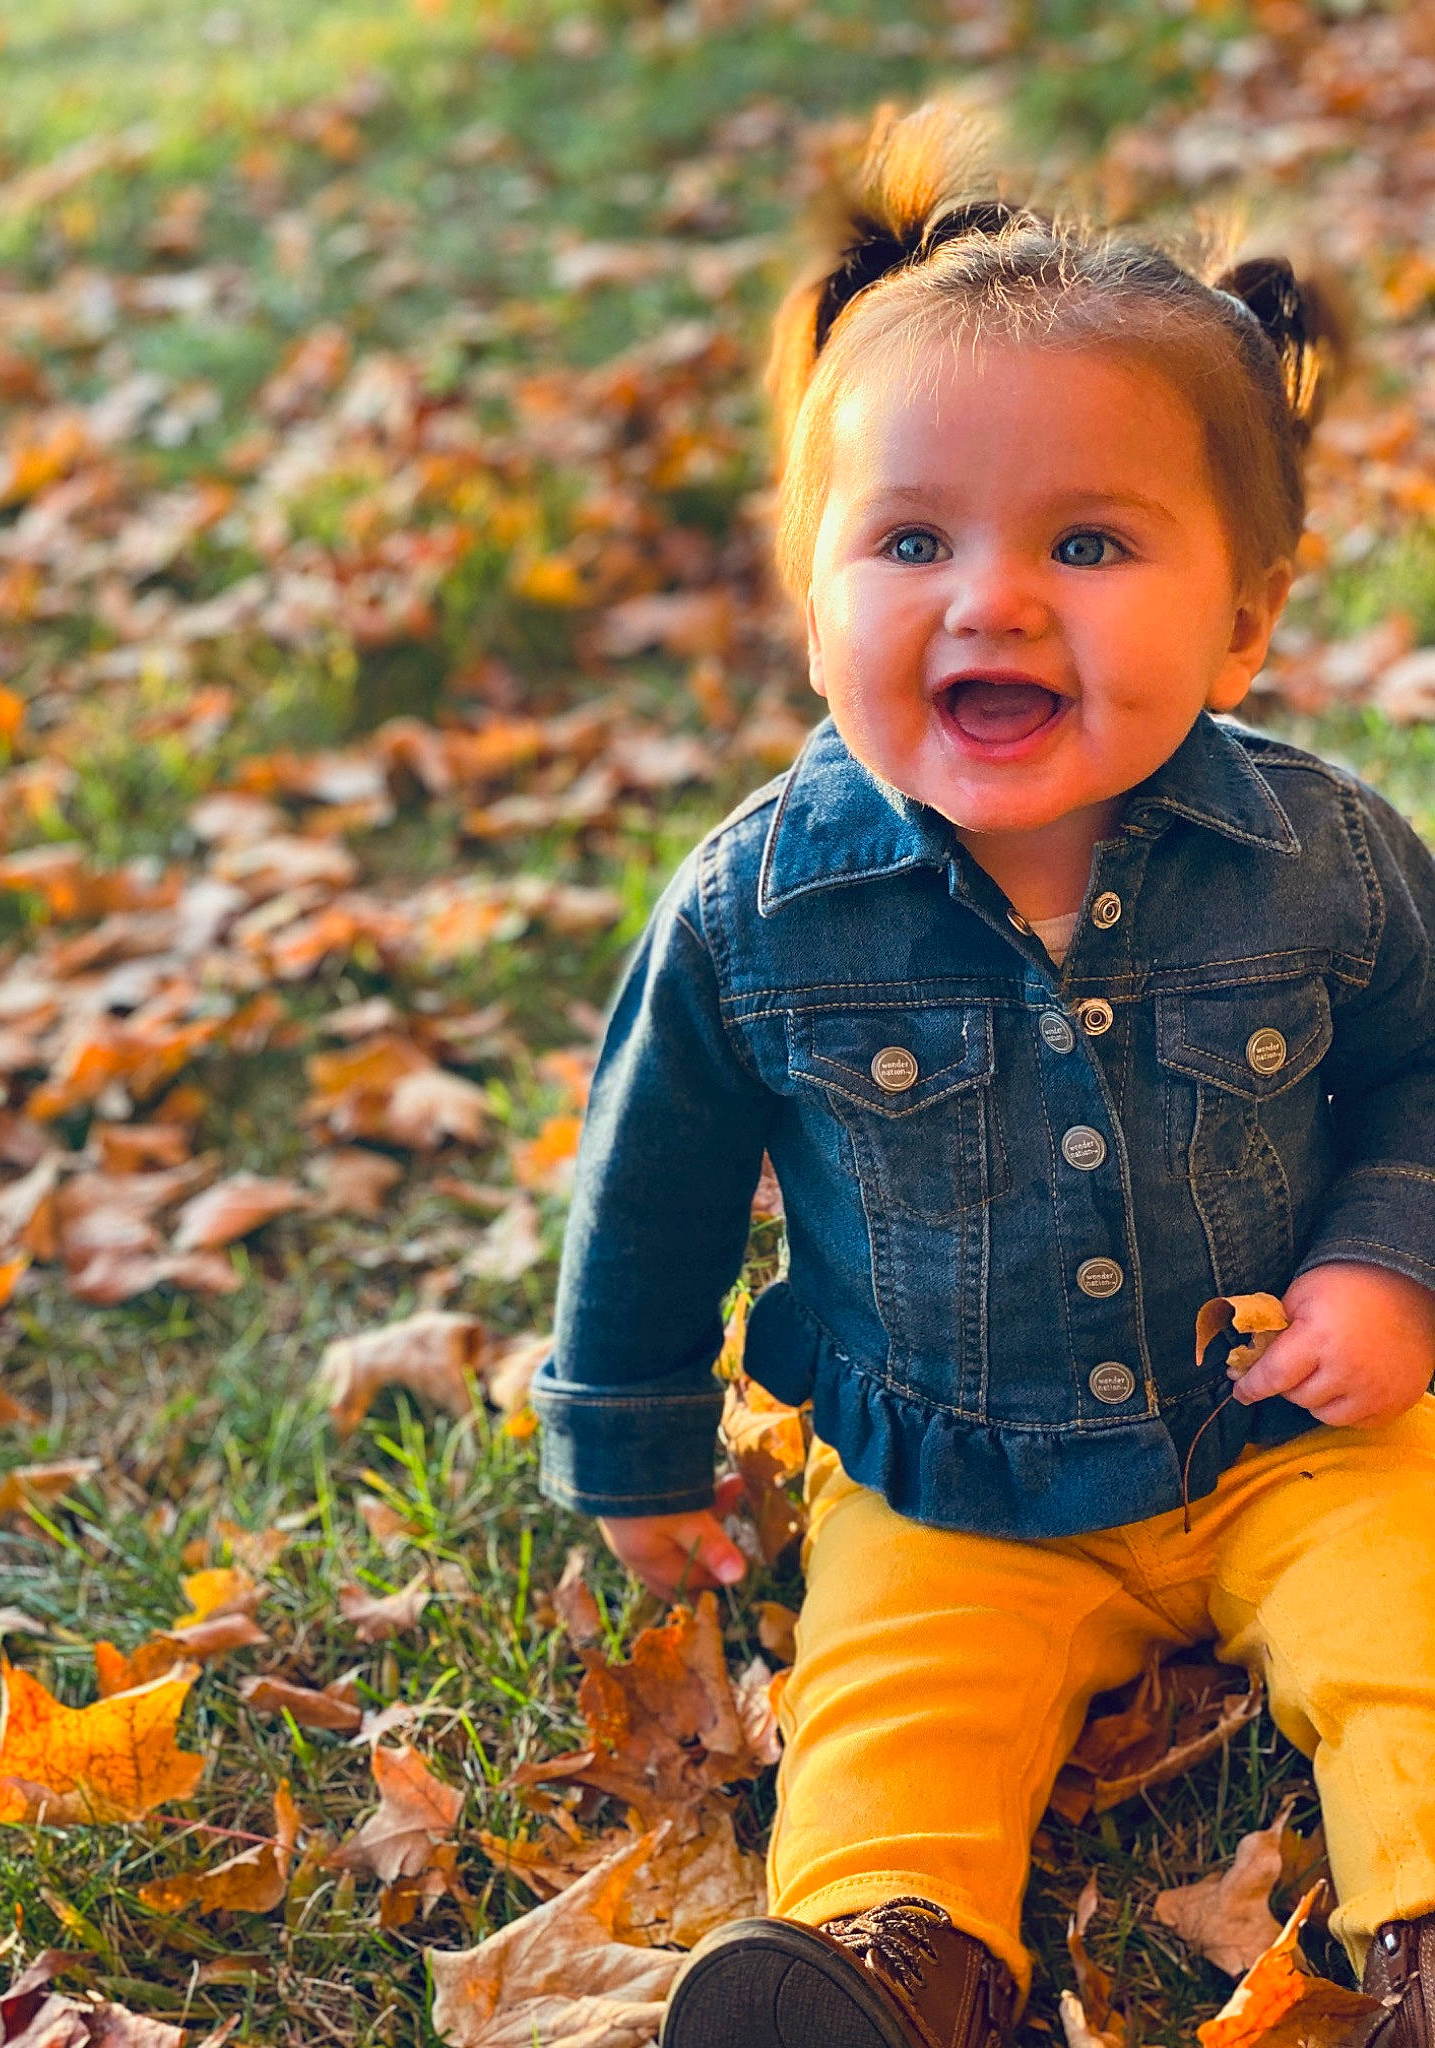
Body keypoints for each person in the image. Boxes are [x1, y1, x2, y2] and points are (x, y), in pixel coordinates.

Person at [529, 99, 1435, 2048]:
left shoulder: (1329, 857)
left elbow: (1426, 1074)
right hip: (954, 1469)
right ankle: (886, 1957)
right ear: (817, 592)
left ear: (1249, 617)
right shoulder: (760, 910)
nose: (993, 598)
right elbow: (652, 1186)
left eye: (1089, 542)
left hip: (1292, 1416)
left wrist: (1390, 1265)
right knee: (892, 1688)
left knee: (1414, 1619)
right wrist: (634, 1445)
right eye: (912, 538)